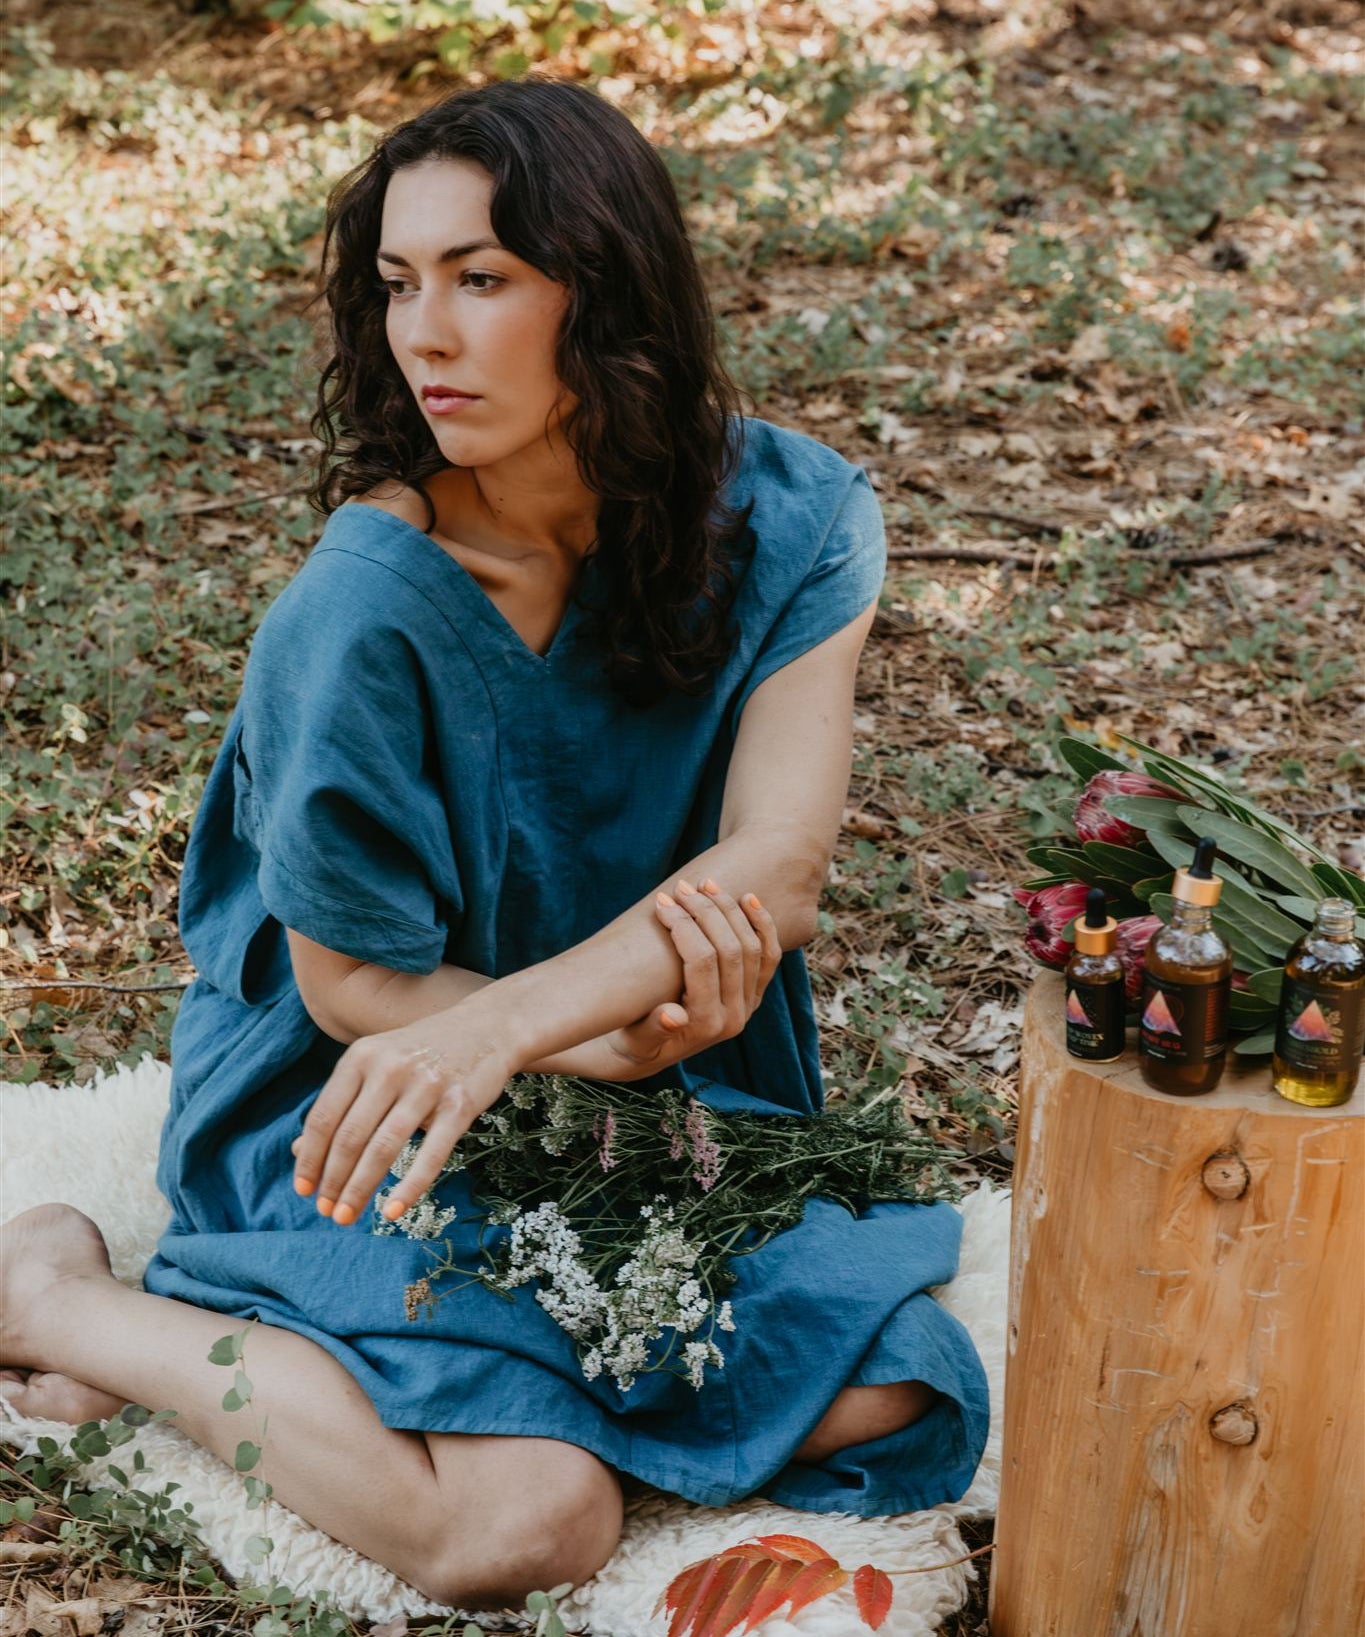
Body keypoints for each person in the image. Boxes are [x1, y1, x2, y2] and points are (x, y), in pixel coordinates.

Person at [0, 76, 988, 1609]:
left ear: (605, 293)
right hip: (356, 1095)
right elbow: (346, 988)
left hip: (631, 1062)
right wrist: (548, 1037)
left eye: (483, 278)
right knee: (523, 1526)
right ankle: (66, 1304)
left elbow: (772, 870)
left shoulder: (793, 519)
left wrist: (586, 1036)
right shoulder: (360, 609)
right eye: (399, 284)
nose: (427, 335)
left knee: (899, 1393)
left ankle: (432, 1392)